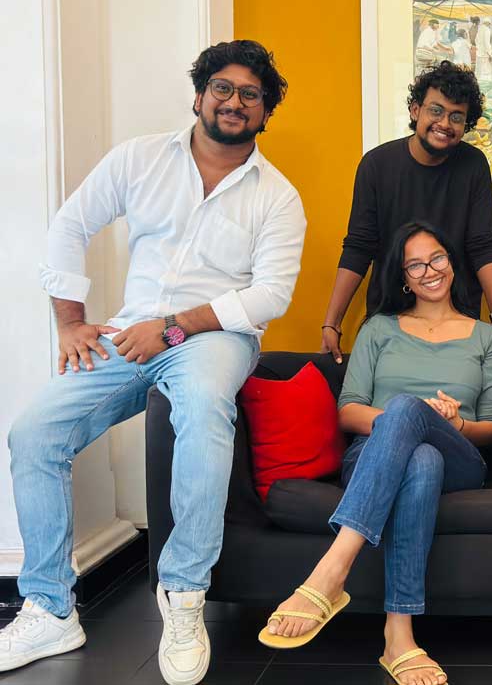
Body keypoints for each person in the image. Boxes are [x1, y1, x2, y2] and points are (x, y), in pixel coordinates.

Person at [0, 40, 306, 685]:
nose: (235, 101)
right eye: (223, 88)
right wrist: (71, 322)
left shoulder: (277, 196)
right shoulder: (138, 158)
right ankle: (50, 609)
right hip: (129, 331)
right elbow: (70, 225)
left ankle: (184, 595)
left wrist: (173, 327)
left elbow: (270, 295)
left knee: (204, 412)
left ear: (264, 113)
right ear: (199, 95)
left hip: (215, 336)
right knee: (34, 433)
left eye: (251, 95)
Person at [261, 222, 492, 685]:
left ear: (452, 263)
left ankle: (331, 572)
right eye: (416, 265)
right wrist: (405, 418)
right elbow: (348, 411)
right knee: (420, 456)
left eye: (437, 258)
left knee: (414, 420)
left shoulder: (485, 338)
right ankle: (399, 639)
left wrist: (453, 423)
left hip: (460, 456)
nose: (429, 270)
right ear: (403, 278)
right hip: (376, 454)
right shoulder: (378, 329)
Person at [320, 61, 492, 361]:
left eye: (456, 117)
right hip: (390, 316)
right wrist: (332, 322)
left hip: (457, 316)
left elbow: (482, 245)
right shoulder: (377, 165)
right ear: (415, 111)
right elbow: (359, 246)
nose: (445, 123)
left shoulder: (473, 165)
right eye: (436, 110)